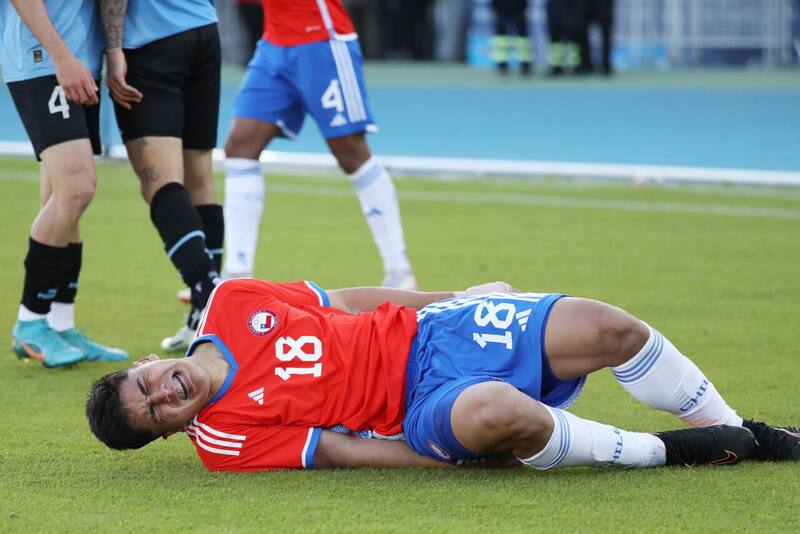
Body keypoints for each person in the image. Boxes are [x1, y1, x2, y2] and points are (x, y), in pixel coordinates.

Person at [86, 278, 800, 471]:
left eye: (146, 383)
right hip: (421, 407)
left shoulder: (234, 300)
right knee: (495, 411)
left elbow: (351, 301)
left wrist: (459, 300)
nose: (164, 393)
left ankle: (743, 435)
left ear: (148, 363)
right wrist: (436, 454)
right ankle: (671, 453)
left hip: (437, 332)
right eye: (157, 413)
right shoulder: (225, 444)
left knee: (611, 329)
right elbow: (337, 450)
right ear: (171, 432)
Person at [221, 0, 416, 291]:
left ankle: (400, 273)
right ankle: (236, 278)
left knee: (351, 152)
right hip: (274, 42)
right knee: (240, 145)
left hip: (321, 39)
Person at [2, 0, 129, 367]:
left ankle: (59, 323)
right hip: (45, 60)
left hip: (79, 61)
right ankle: (30, 321)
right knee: (77, 189)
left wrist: (106, 53)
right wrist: (61, 58)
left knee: (62, 193)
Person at [98, 0, 225, 352]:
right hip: (203, 29)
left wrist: (113, 49)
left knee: (161, 183)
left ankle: (210, 291)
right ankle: (206, 316)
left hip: (150, 42)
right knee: (201, 179)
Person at [491, 0, 532, 76]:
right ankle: (502, 67)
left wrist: (523, 7)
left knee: (523, 39)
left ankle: (525, 67)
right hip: (502, 8)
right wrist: (496, 8)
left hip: (518, 8)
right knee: (501, 40)